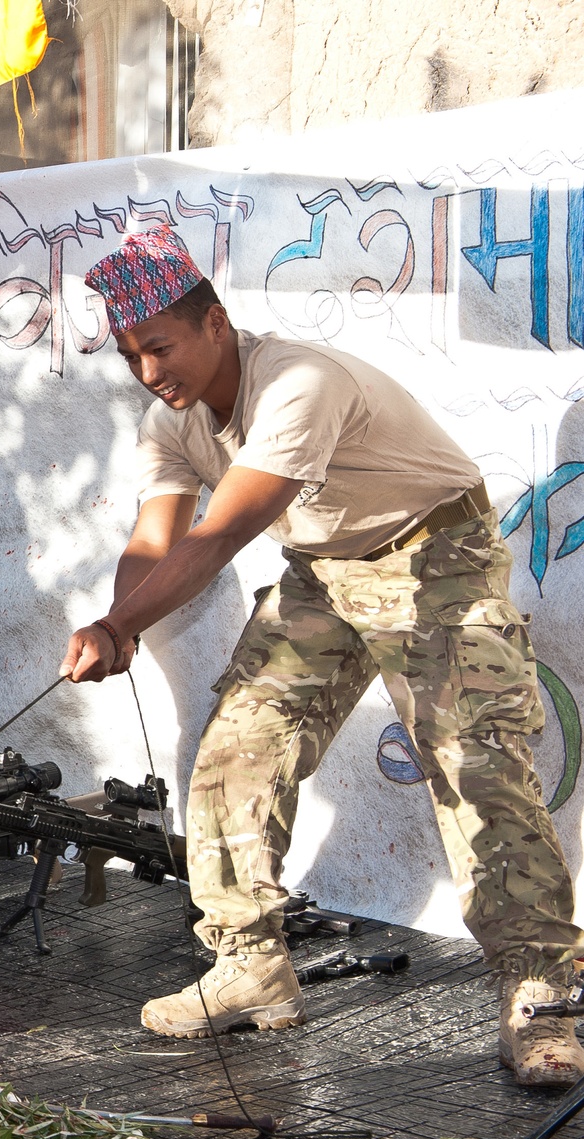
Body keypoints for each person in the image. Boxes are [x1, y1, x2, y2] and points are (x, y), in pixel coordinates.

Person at [61, 223, 584, 1086]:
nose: (151, 373)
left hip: (433, 555)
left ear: (216, 324)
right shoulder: (173, 423)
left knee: (474, 762)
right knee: (237, 745)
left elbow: (221, 533)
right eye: (130, 357)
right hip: (325, 571)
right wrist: (120, 620)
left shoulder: (298, 382)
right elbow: (156, 540)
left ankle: (541, 997)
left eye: (161, 346)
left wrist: (121, 628)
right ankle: (250, 968)